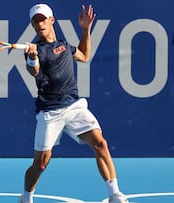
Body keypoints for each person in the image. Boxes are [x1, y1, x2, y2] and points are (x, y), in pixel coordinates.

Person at [19, 3, 128, 203]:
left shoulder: (64, 45)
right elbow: (33, 71)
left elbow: (85, 57)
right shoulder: (36, 50)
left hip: (74, 106)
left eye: (43, 19)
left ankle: (114, 194)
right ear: (33, 26)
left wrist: (85, 30)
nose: (39, 23)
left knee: (100, 144)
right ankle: (26, 197)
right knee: (41, 163)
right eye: (35, 21)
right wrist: (33, 58)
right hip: (50, 112)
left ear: (51, 20)